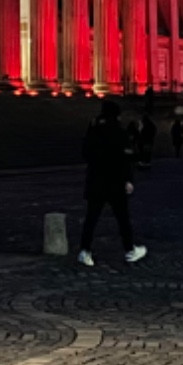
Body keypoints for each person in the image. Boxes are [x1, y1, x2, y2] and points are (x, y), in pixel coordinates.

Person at [78, 99, 146, 267]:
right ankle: (129, 250)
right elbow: (125, 158)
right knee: (123, 218)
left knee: (91, 219)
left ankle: (85, 251)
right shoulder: (119, 131)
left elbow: (85, 153)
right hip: (115, 182)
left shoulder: (93, 129)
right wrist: (128, 179)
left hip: (96, 180)